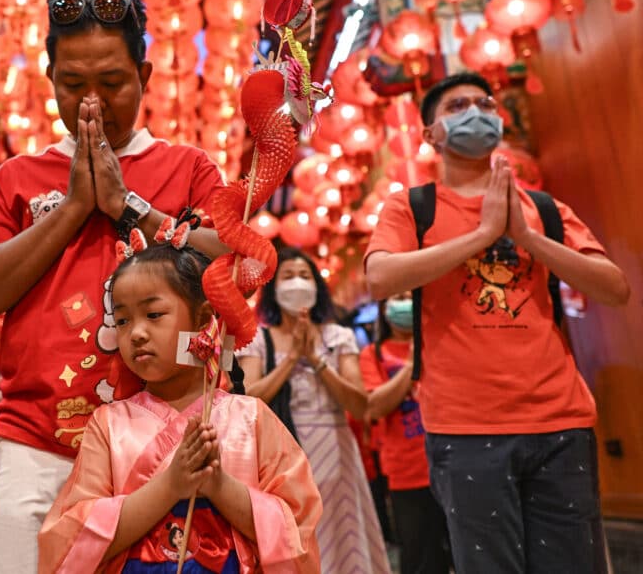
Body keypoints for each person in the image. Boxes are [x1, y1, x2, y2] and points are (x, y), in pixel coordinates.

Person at [0, 0, 228, 572]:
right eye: (73, 85)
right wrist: (75, 206)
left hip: (166, 440)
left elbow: (230, 264)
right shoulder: (16, 178)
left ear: (145, 74)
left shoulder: (189, 168)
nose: (93, 101)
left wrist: (127, 205)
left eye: (113, 82)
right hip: (36, 442)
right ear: (49, 78)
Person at [365, 72, 631, 574]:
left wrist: (529, 239)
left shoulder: (544, 208)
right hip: (465, 426)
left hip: (561, 419)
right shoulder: (411, 207)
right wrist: (483, 234)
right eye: (457, 105)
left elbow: (614, 287)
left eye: (484, 103)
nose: (475, 112)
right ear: (430, 135)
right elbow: (380, 278)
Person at [39, 243, 322, 572]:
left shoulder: (251, 418)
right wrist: (170, 486)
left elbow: (296, 529)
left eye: (153, 314)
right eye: (123, 321)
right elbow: (71, 538)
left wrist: (219, 486)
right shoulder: (108, 423)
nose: (137, 334)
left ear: (203, 319)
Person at [238, 247, 391, 573]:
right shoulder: (257, 339)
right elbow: (248, 399)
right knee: (290, 537)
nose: (296, 283)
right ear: (273, 289)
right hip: (278, 455)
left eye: (305, 276)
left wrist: (316, 360)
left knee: (339, 536)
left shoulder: (339, 336)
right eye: (288, 276)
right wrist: (293, 357)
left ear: (318, 288)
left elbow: (360, 405)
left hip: (335, 454)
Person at [360, 293, 450, 574]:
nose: (405, 302)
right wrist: (411, 366)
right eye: (397, 297)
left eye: (410, 295)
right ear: (385, 308)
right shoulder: (373, 354)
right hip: (406, 472)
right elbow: (375, 406)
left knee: (466, 552)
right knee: (421, 558)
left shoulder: (443, 341)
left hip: (453, 463)